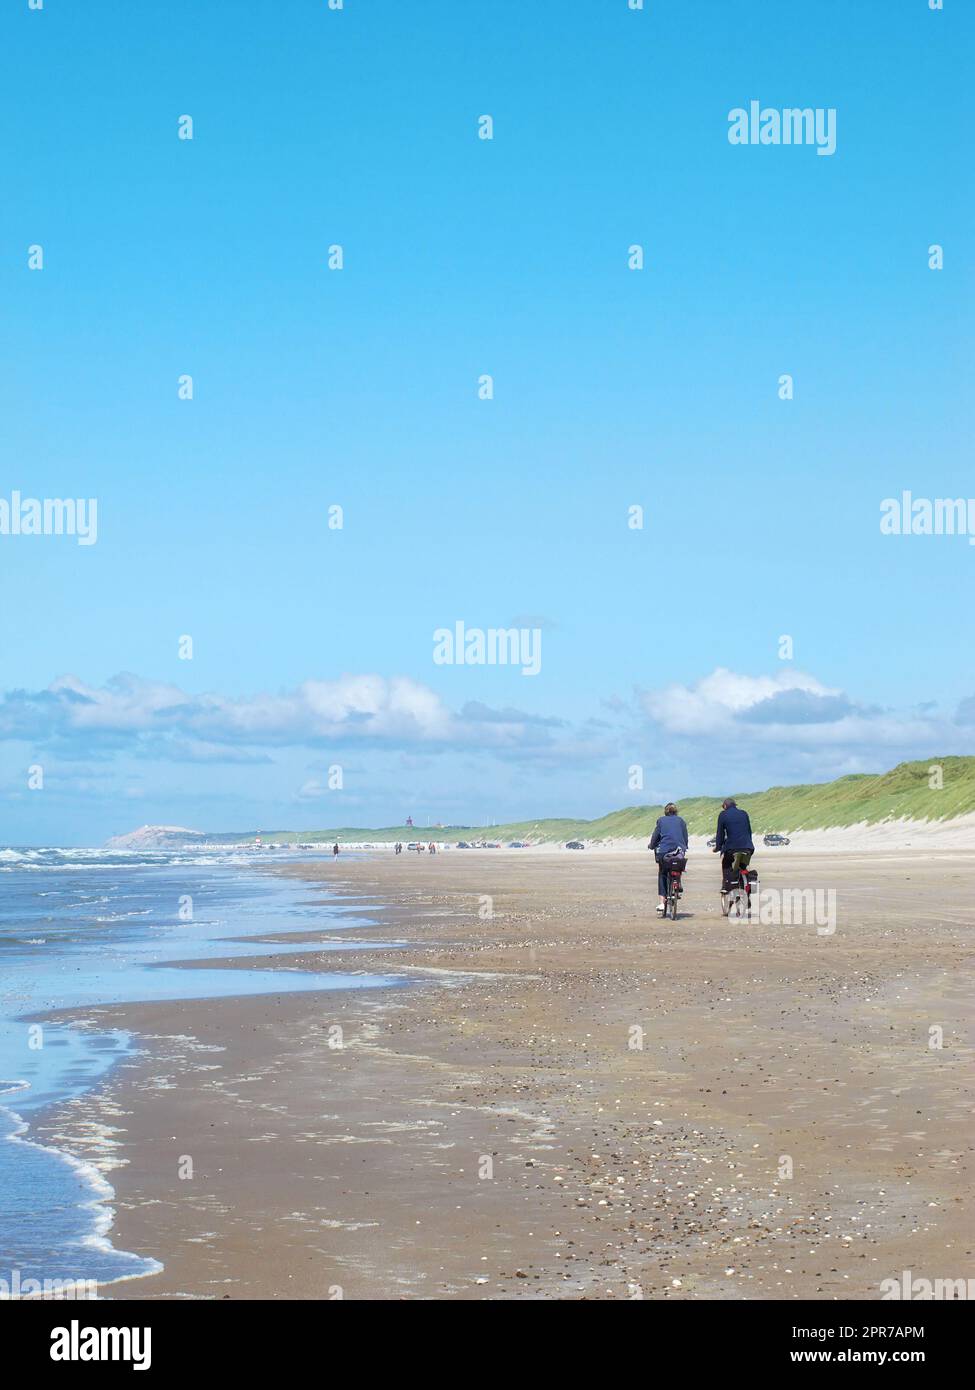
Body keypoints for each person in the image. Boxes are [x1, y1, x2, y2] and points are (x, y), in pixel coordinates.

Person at [649, 802, 689, 915]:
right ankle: (677, 883)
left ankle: (662, 902)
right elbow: (685, 837)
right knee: (677, 866)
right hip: (679, 850)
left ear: (665, 812)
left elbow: (655, 836)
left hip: (664, 851)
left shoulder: (661, 821)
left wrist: (651, 845)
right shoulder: (681, 821)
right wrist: (684, 846)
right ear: (676, 812)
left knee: (662, 873)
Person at [712, 798, 754, 892]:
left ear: (725, 806)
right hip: (747, 847)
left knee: (726, 864)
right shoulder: (744, 813)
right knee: (743, 866)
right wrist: (748, 845)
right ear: (735, 805)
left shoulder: (723, 815)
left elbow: (720, 834)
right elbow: (749, 832)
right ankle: (747, 890)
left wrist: (718, 847)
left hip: (732, 848)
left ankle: (725, 886)